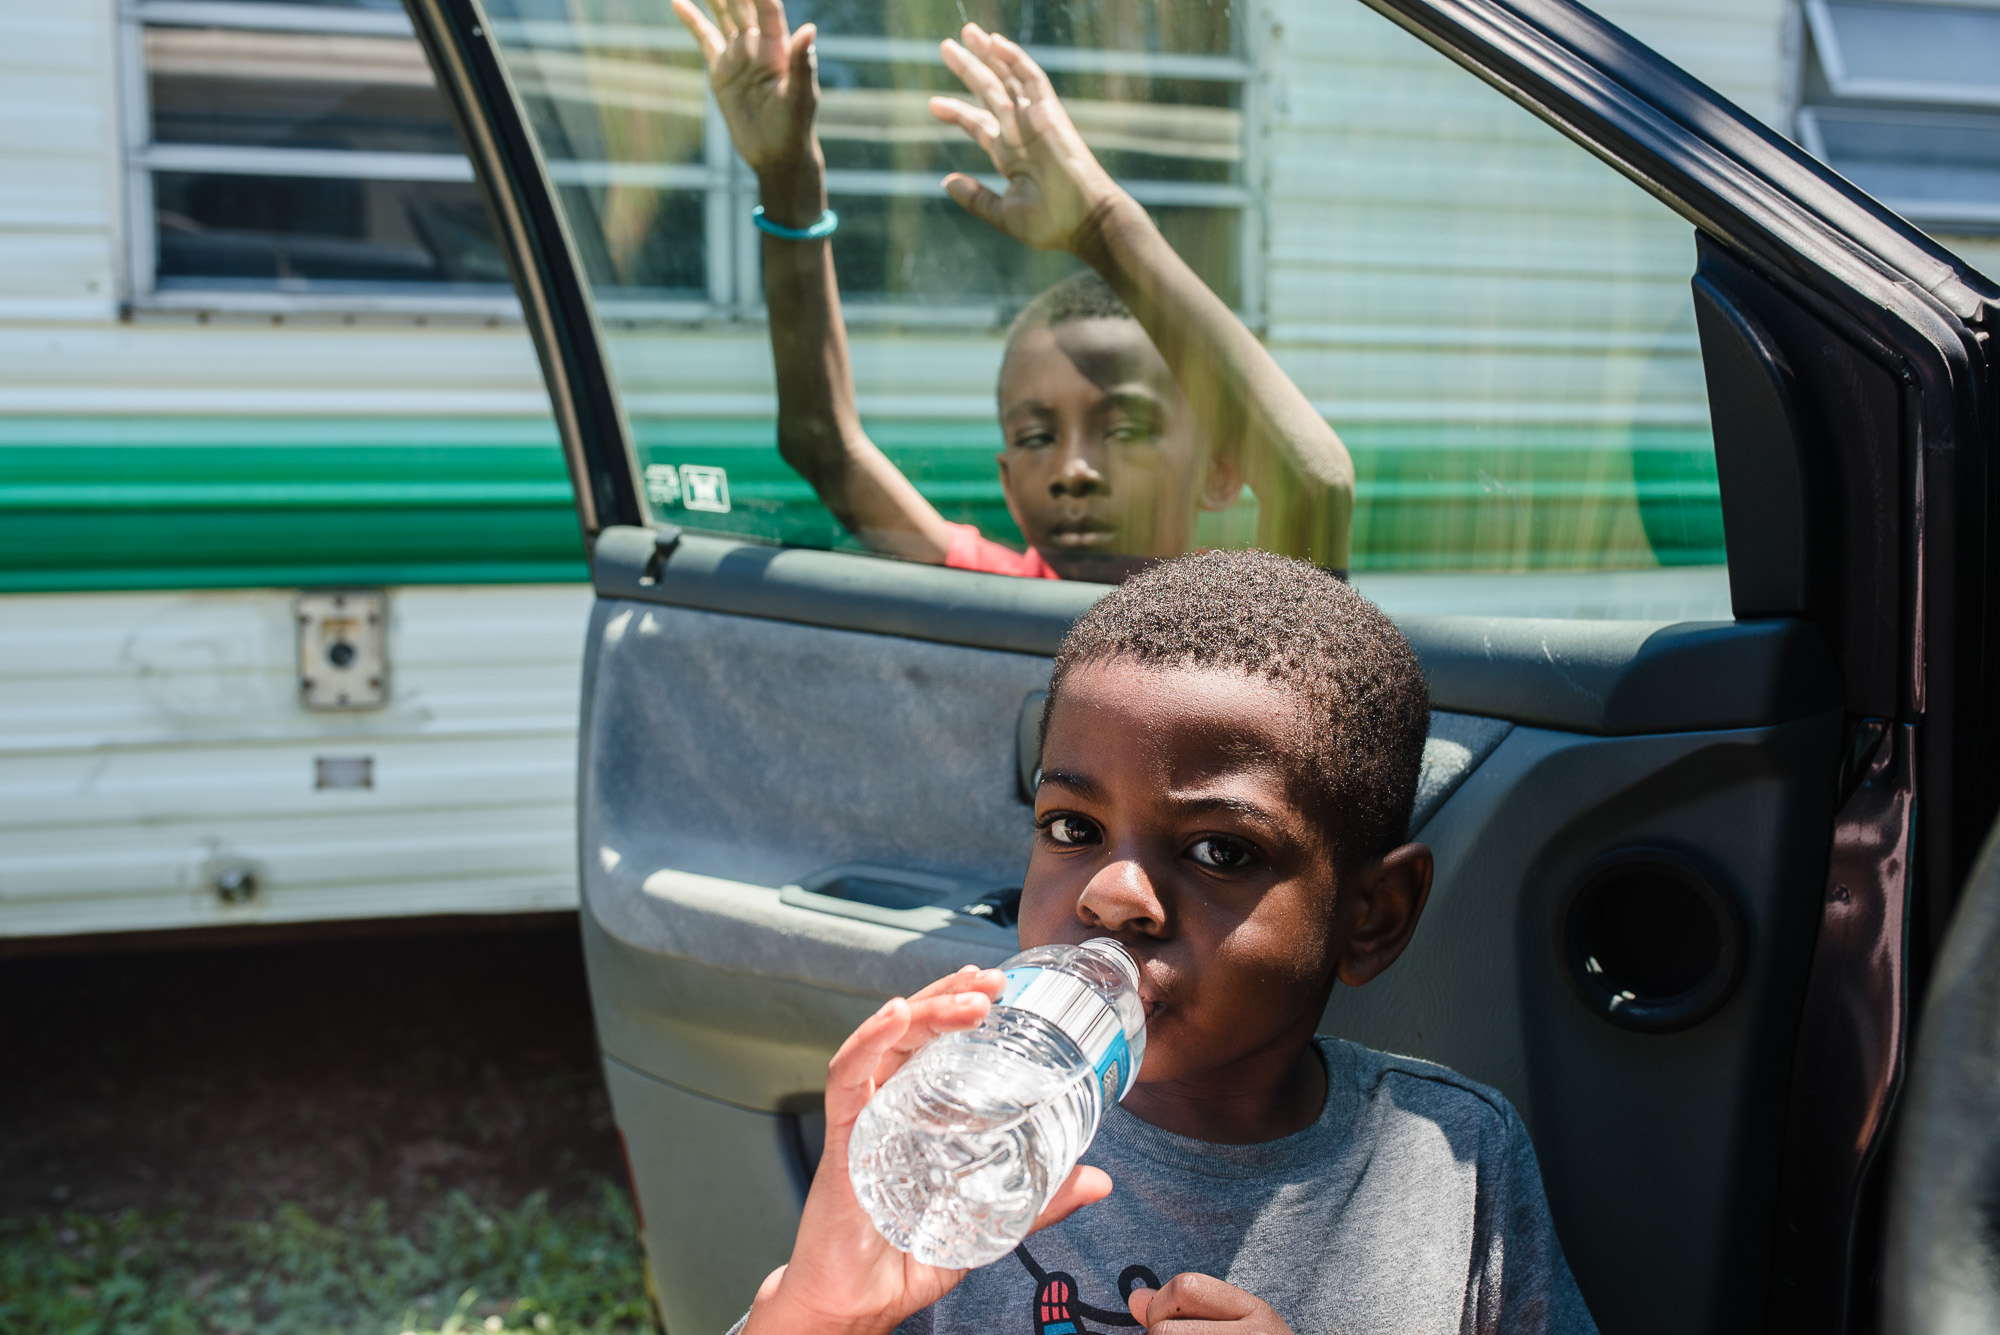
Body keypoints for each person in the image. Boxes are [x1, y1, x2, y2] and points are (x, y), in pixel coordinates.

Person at [724, 548, 1598, 1335]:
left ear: (1372, 915)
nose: (1112, 894)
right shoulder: (963, 1141)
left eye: (1221, 850)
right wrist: (819, 1312)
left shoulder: (1451, 1161)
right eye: (1072, 828)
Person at [671, 1, 1355, 583]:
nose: (1074, 471)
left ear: (1221, 471)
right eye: (1035, 436)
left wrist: (1102, 223)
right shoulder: (997, 594)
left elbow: (1314, 484)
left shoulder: (1249, 626)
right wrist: (788, 181)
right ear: (1004, 478)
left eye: (1125, 427)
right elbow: (824, 442)